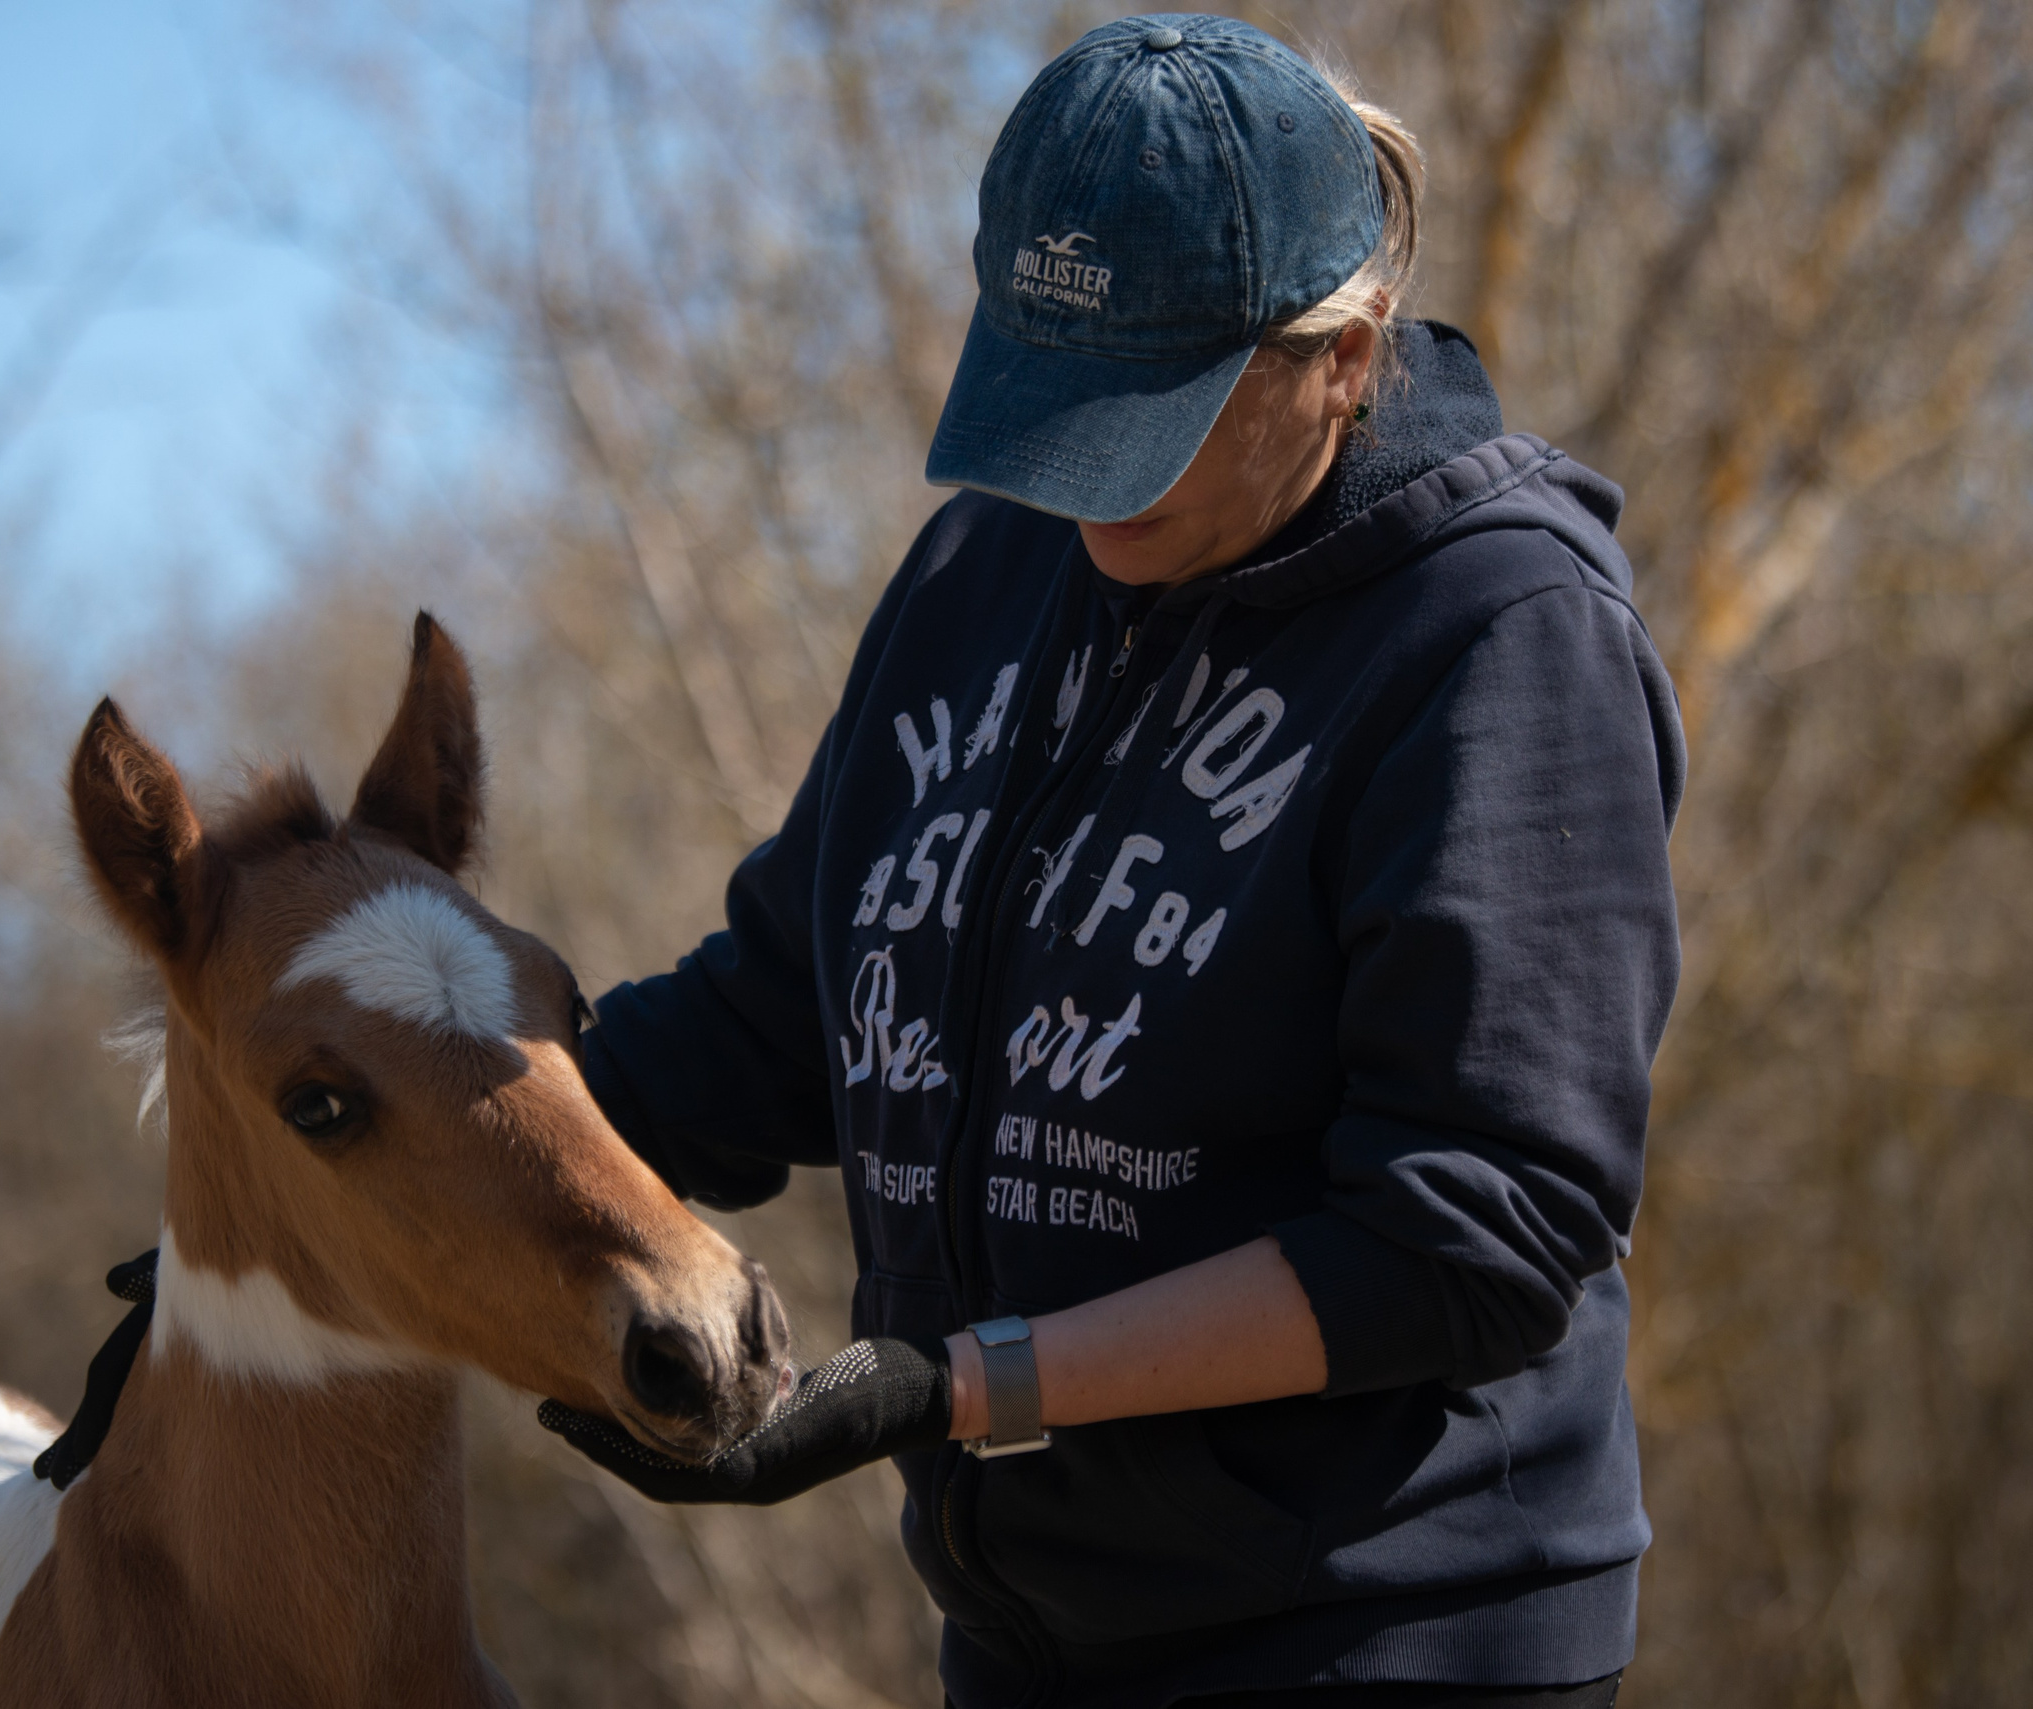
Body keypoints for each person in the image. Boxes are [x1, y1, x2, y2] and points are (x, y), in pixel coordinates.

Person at [538, 14, 1682, 1708]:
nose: (1090, 488)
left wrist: (959, 1386)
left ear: (1345, 355)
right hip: (1035, 1633)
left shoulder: (1501, 631)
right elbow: (782, 1010)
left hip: (1388, 1629)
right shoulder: (979, 576)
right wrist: (409, 1140)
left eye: (1154, 415)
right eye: (1055, 400)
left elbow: (1476, 1232)